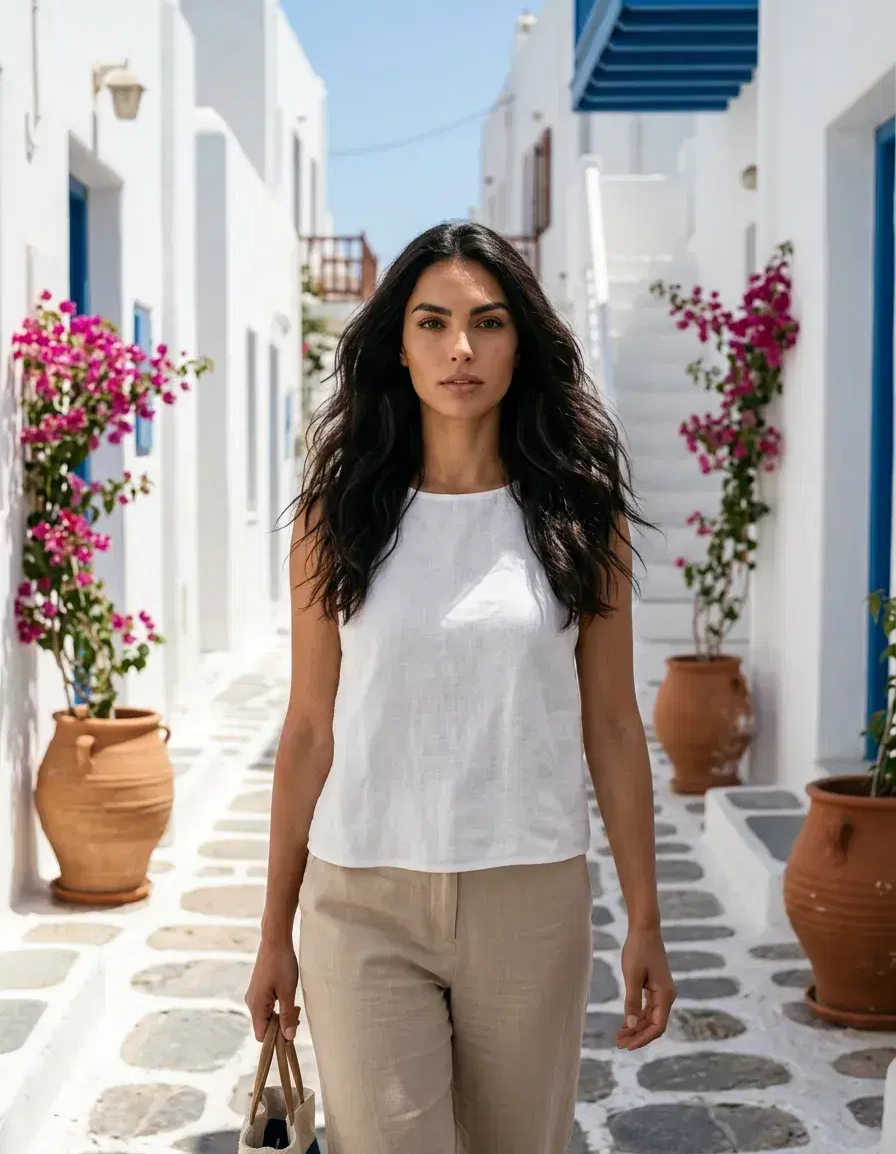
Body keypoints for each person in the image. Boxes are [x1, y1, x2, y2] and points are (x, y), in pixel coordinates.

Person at [245, 221, 676, 1154]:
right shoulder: (338, 520)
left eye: (487, 323)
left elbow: (610, 723)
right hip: (360, 899)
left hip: (529, 897)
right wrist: (273, 930)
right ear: (397, 346)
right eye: (433, 323)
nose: (460, 349)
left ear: (523, 342)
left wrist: (646, 916)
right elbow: (311, 729)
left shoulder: (578, 517)